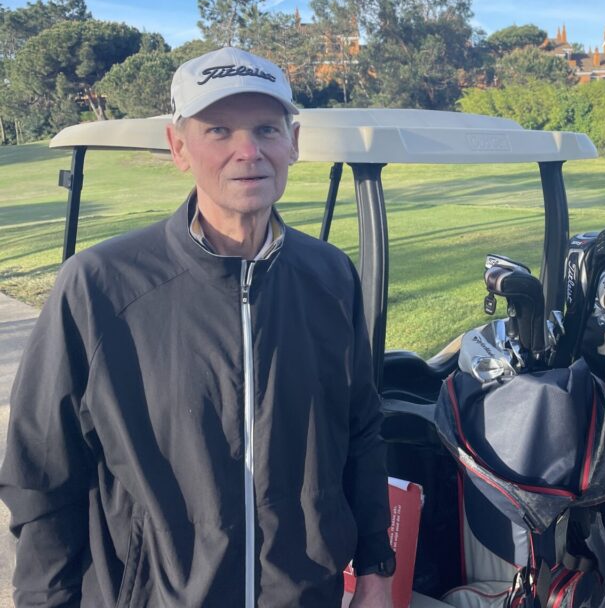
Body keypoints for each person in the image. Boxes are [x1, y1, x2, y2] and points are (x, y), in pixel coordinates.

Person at [0, 47, 395, 607]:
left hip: (305, 594)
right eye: (218, 130)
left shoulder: (330, 275)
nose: (248, 151)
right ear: (179, 147)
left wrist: (376, 567)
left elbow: (360, 429)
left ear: (293, 142)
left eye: (266, 129)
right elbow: (42, 473)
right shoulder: (98, 286)